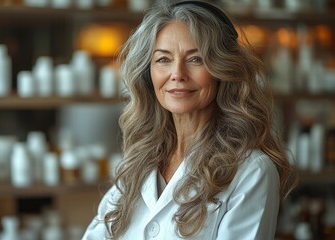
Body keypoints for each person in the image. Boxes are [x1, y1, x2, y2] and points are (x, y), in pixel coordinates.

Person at [83, 0, 297, 239]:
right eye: (163, 59)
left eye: (196, 59)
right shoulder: (139, 161)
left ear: (223, 71)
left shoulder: (251, 171)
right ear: (148, 74)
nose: (177, 74)